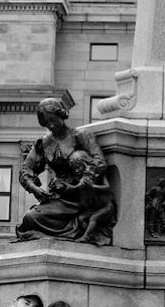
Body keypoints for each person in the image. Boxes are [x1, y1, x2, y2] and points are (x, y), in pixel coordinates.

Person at [16, 96, 116, 244]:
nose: (51, 125)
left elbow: (99, 161)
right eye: (46, 123)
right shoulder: (43, 143)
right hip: (60, 194)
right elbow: (26, 169)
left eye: (53, 120)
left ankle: (79, 226)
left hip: (83, 194)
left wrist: (82, 182)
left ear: (61, 115)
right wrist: (35, 188)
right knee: (29, 219)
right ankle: (68, 230)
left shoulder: (80, 136)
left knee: (77, 157)